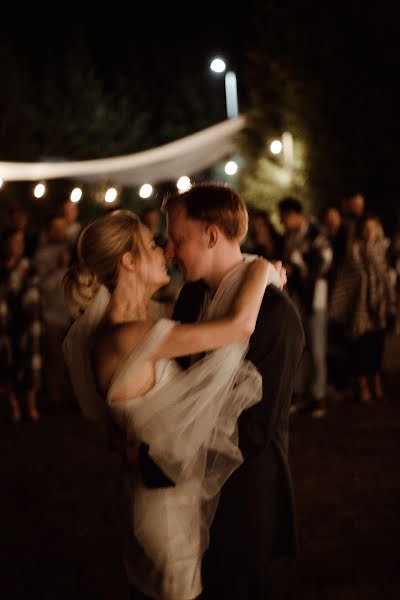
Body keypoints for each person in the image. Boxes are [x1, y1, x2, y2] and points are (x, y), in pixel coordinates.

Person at [62, 208, 286, 600]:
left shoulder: (136, 325)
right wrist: (261, 270)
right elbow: (237, 326)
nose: (164, 251)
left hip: (164, 493)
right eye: (152, 245)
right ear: (128, 262)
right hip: (164, 510)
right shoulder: (132, 335)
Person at [159, 183, 305, 600]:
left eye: (178, 240)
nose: (170, 252)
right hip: (187, 489)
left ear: (212, 235)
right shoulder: (190, 298)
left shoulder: (276, 315)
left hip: (245, 494)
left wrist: (166, 458)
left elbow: (255, 428)